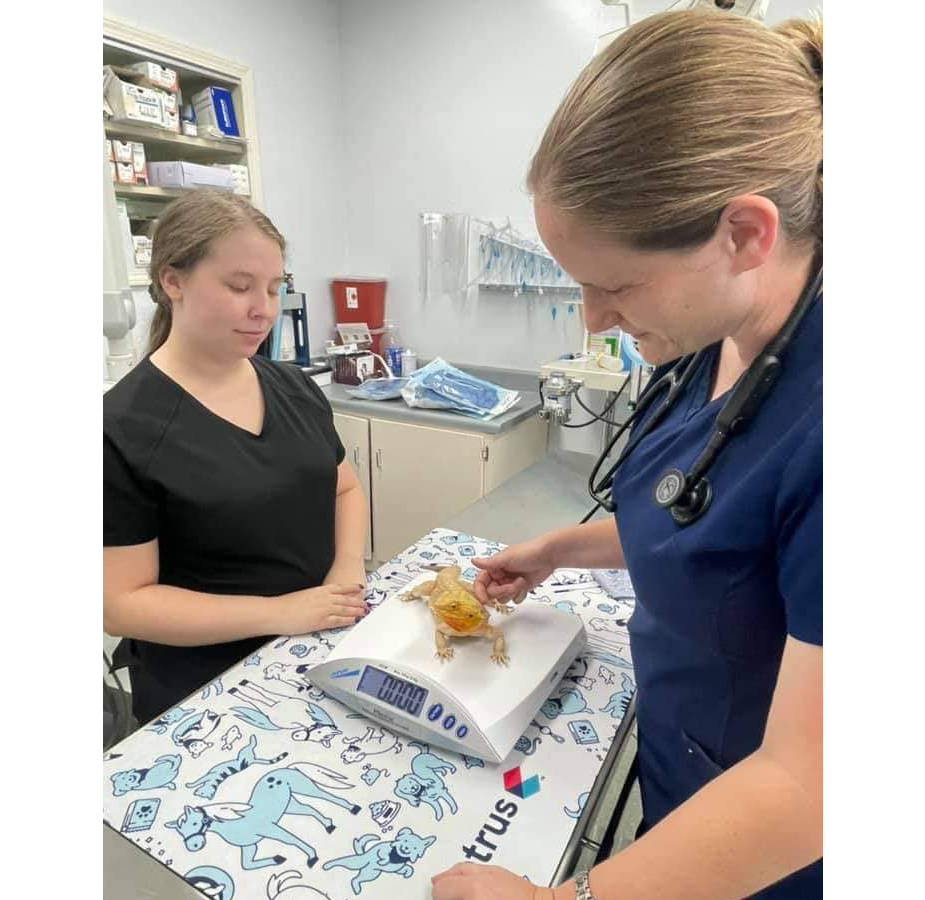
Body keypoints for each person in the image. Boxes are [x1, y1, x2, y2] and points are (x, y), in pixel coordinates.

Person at [432, 9, 821, 900]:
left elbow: (814, 784)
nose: (592, 319)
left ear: (744, 234)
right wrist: (558, 549)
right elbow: (707, 511)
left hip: (774, 857)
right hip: (684, 776)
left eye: (613, 285)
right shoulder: (708, 346)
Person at [104, 190, 369, 727]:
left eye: (275, 289)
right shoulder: (122, 426)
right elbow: (120, 602)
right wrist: (280, 613)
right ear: (172, 281)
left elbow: (343, 488)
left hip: (318, 649)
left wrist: (343, 580)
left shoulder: (293, 387)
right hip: (207, 689)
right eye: (239, 286)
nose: (264, 310)